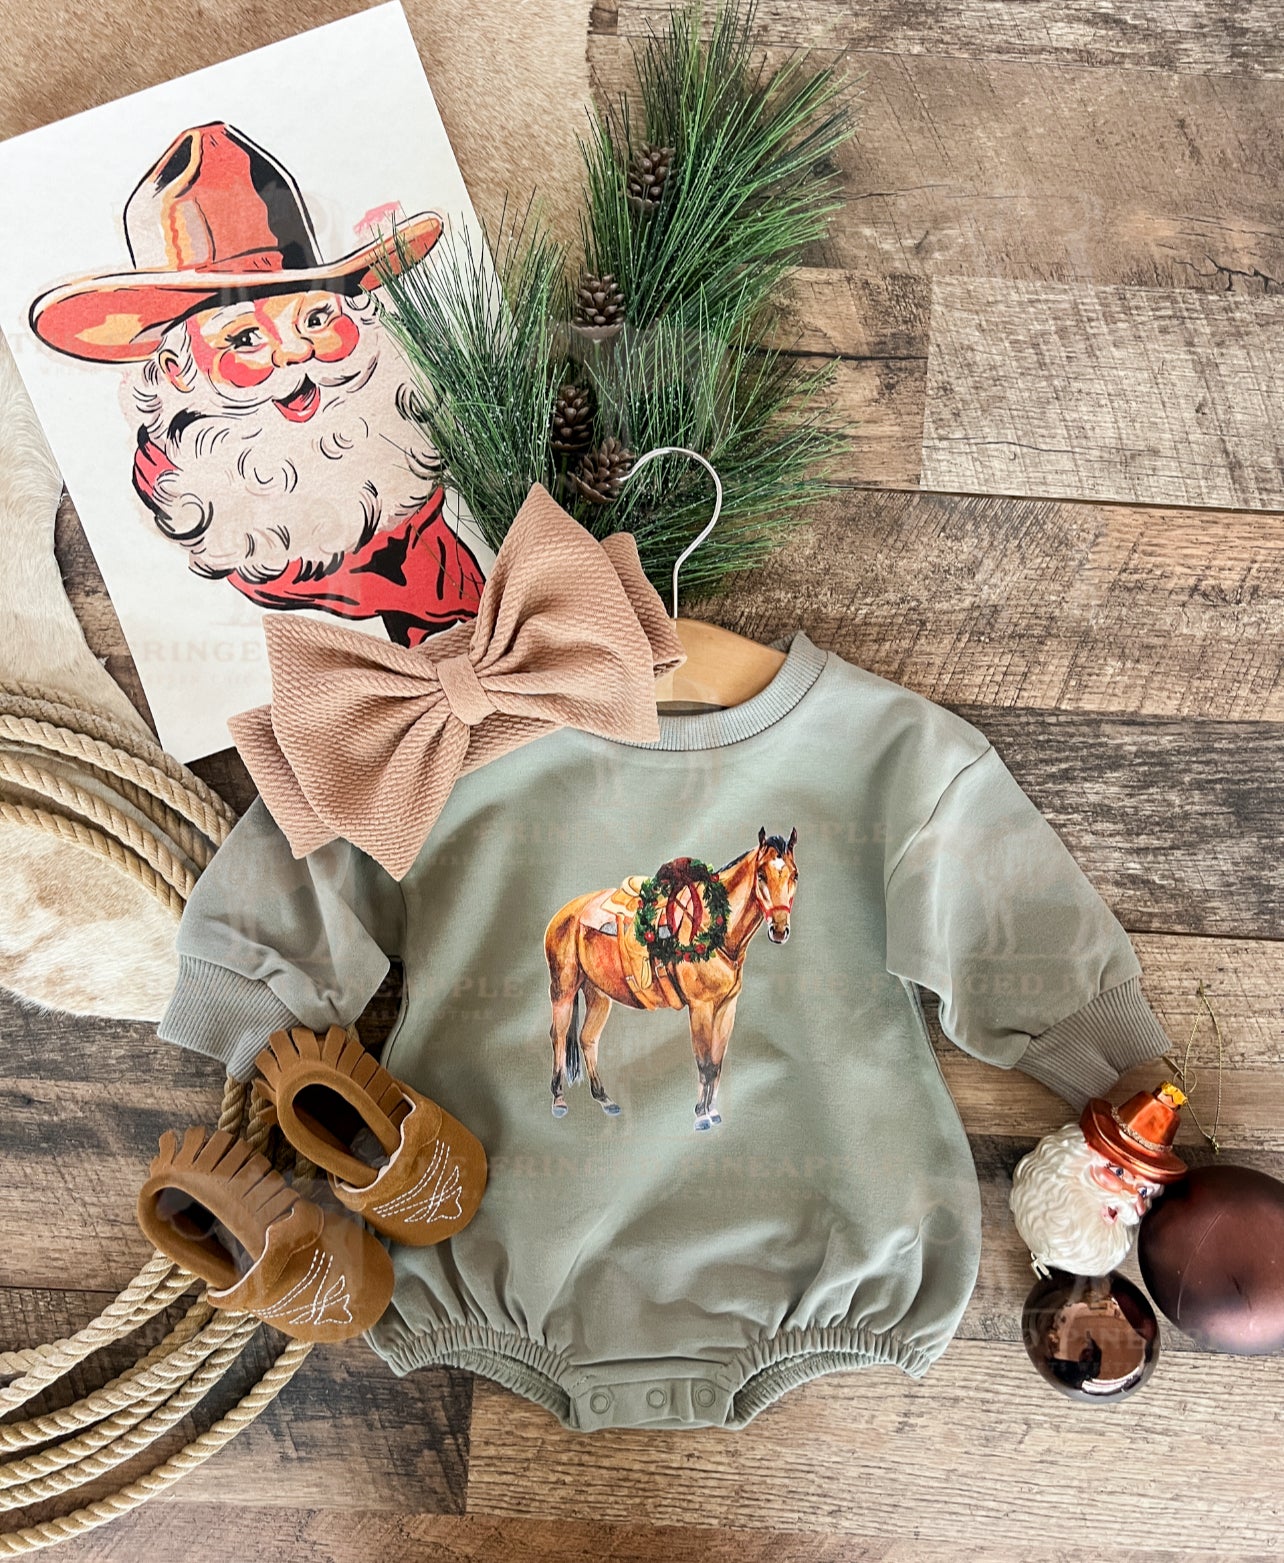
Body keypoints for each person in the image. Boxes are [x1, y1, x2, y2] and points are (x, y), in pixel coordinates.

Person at [30, 121, 483, 645]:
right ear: (178, 370)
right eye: (244, 338)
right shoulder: (192, 506)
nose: (294, 353)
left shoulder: (414, 461)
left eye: (316, 319)